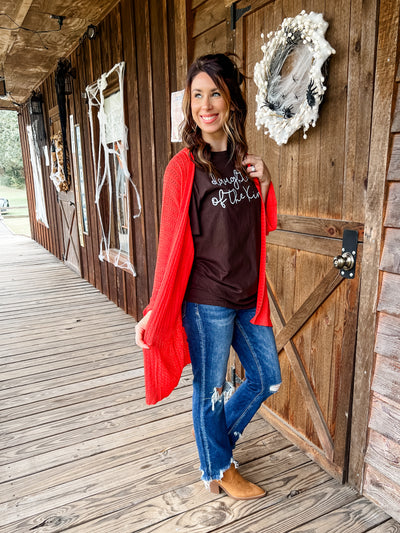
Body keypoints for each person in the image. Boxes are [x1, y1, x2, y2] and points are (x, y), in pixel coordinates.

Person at [135, 53, 282, 501]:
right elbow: (169, 245)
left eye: (214, 93)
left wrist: (266, 183)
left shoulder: (245, 162)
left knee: (266, 378)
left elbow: (261, 226)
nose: (205, 105)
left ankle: (214, 447)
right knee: (211, 390)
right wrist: (154, 308)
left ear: (231, 99)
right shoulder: (183, 168)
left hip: (247, 296)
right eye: (197, 95)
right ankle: (218, 467)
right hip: (207, 301)